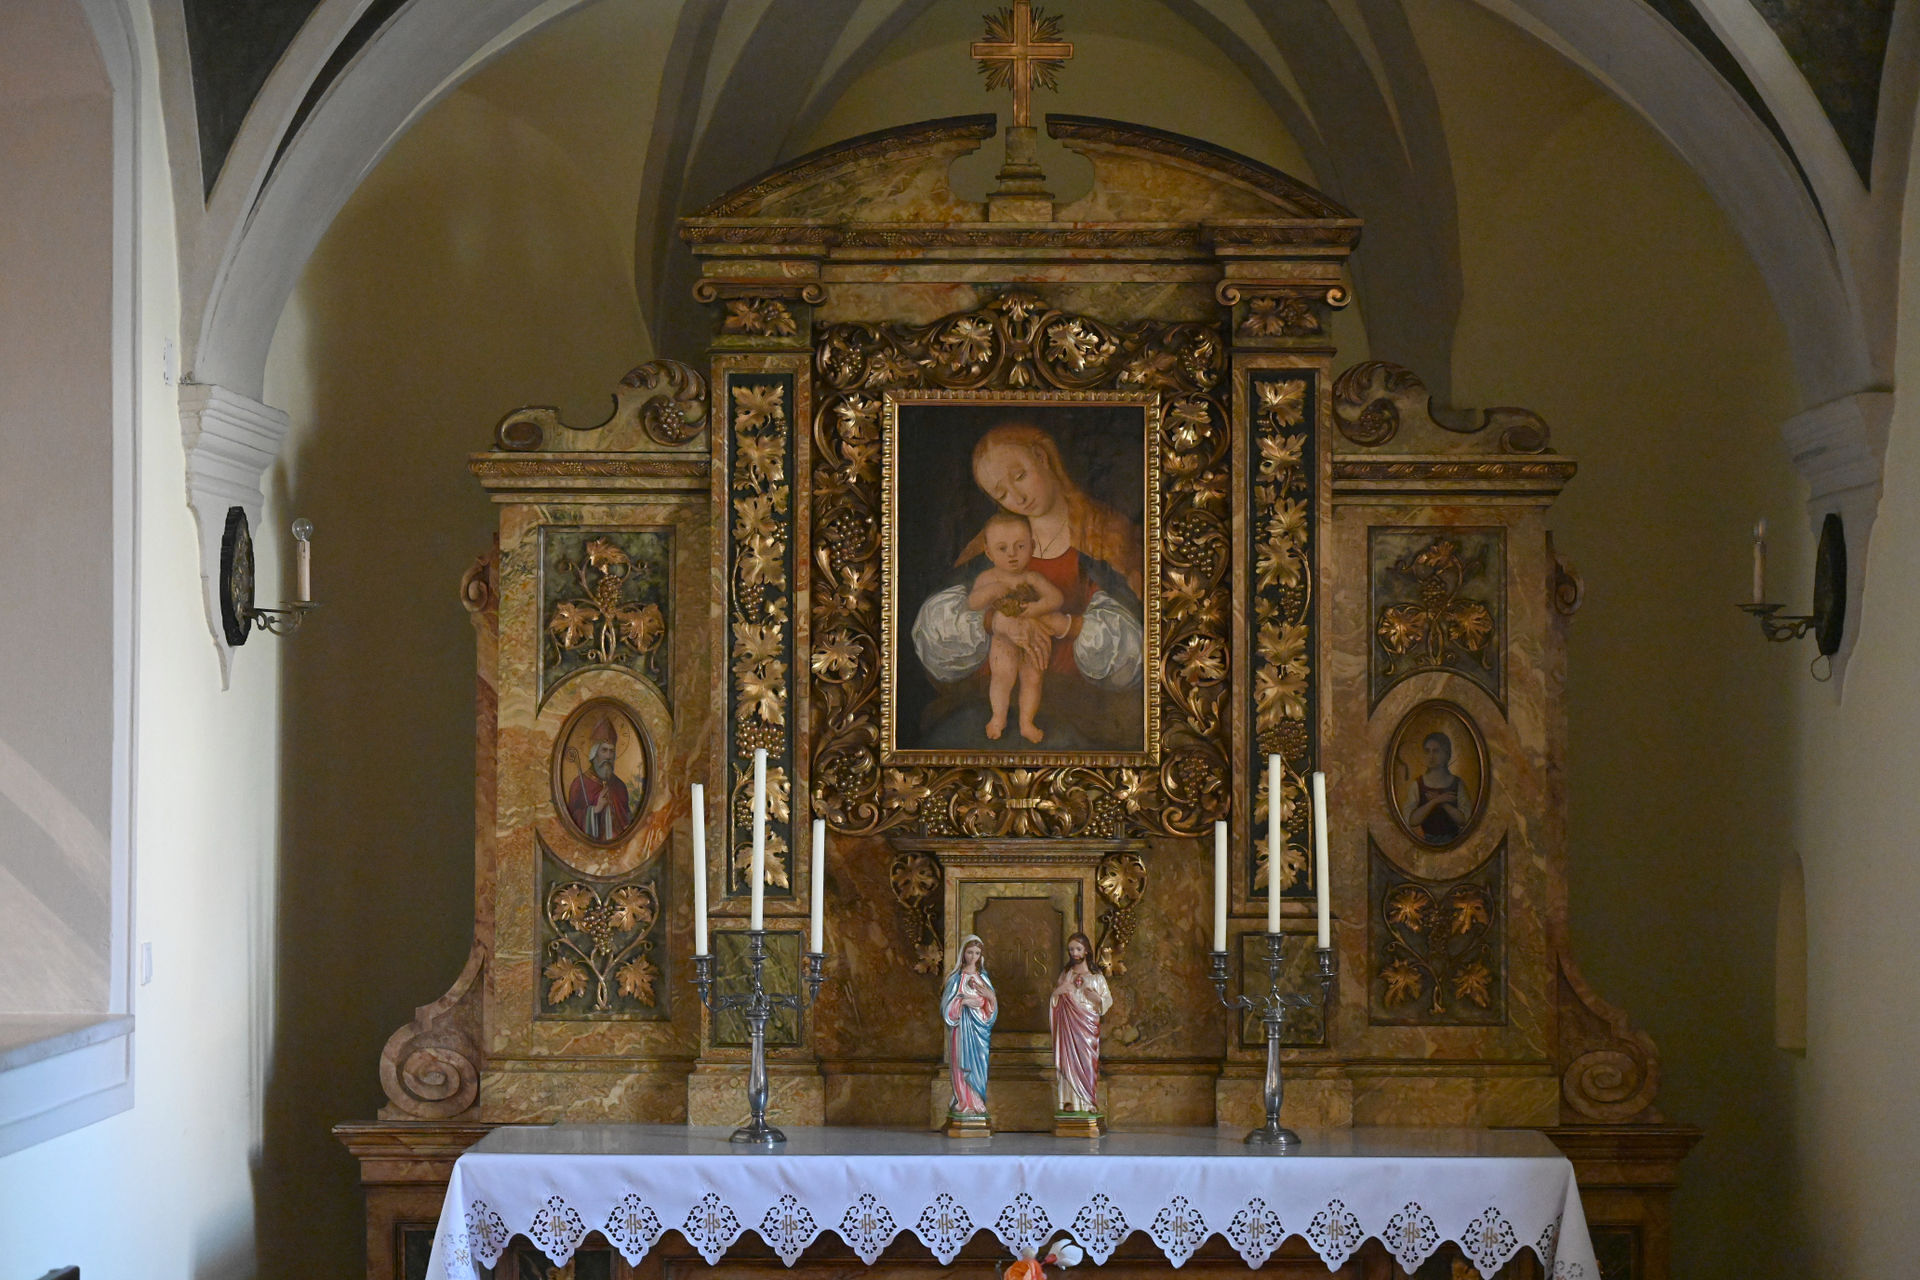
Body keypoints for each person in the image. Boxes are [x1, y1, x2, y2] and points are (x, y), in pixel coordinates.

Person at [910, 422, 1145, 750]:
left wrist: (1063, 625)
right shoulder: (991, 548)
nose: (1018, 497)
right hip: (983, 706)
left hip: (1079, 712)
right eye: (1002, 493)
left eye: (1019, 476)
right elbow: (937, 635)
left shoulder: (1106, 538)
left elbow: (1135, 651)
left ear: (1042, 457)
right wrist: (995, 622)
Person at [966, 510, 1067, 742]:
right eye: (1002, 548)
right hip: (1004, 643)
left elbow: (1056, 598)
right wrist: (991, 591)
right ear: (989, 552)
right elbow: (972, 603)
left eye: (1020, 546)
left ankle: (1026, 723)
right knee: (1003, 677)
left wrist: (1035, 609)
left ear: (1032, 547)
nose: (1012, 554)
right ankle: (998, 718)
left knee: (1033, 679)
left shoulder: (1032, 578)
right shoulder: (988, 578)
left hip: (1034, 640)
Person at [1049, 931, 1111, 1115]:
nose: (1074, 953)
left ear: (1086, 951)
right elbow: (1055, 1000)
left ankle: (1088, 1101)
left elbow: (1107, 1000)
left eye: (1078, 949)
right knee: (1068, 1061)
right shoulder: (1066, 974)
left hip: (1087, 1026)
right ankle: (1069, 1101)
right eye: (1071, 950)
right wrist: (1059, 991)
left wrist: (1097, 999)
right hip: (1068, 1025)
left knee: (1087, 1061)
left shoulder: (1096, 977)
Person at [941, 934, 997, 1123]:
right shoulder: (956, 979)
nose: (973, 957)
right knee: (960, 1063)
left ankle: (977, 1102)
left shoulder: (983, 978)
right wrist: (963, 1002)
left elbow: (992, 1008)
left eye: (977, 953)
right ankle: (964, 1102)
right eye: (970, 952)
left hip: (979, 1030)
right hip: (961, 1029)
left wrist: (989, 998)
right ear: (963, 953)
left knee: (978, 1065)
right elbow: (946, 1008)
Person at [566, 717, 634, 840]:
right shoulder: (579, 784)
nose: (608, 756)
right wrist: (595, 810)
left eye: (611, 751)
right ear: (594, 753)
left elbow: (627, 820)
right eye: (604, 750)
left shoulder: (620, 786)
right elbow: (571, 820)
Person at [1403, 730, 1471, 844]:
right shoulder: (1418, 784)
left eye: (1436, 751)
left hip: (1455, 842)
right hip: (1426, 843)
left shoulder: (1457, 783)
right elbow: (1411, 820)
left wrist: (1443, 803)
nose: (1431, 756)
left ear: (1447, 754)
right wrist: (1435, 801)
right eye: (1427, 751)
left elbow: (1464, 820)